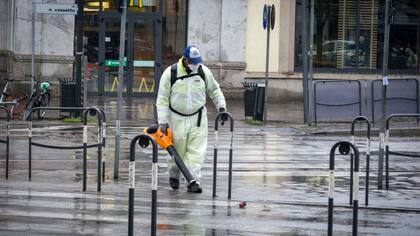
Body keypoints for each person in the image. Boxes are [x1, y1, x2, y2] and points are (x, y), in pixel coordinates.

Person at [156, 45, 227, 193]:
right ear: (186, 60)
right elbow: (162, 98)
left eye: (198, 62)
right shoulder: (171, 73)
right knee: (177, 152)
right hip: (176, 119)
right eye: (193, 62)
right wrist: (162, 121)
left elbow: (214, 90)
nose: (196, 65)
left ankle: (193, 181)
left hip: (198, 118)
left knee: (196, 152)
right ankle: (174, 175)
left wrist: (222, 107)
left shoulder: (203, 72)